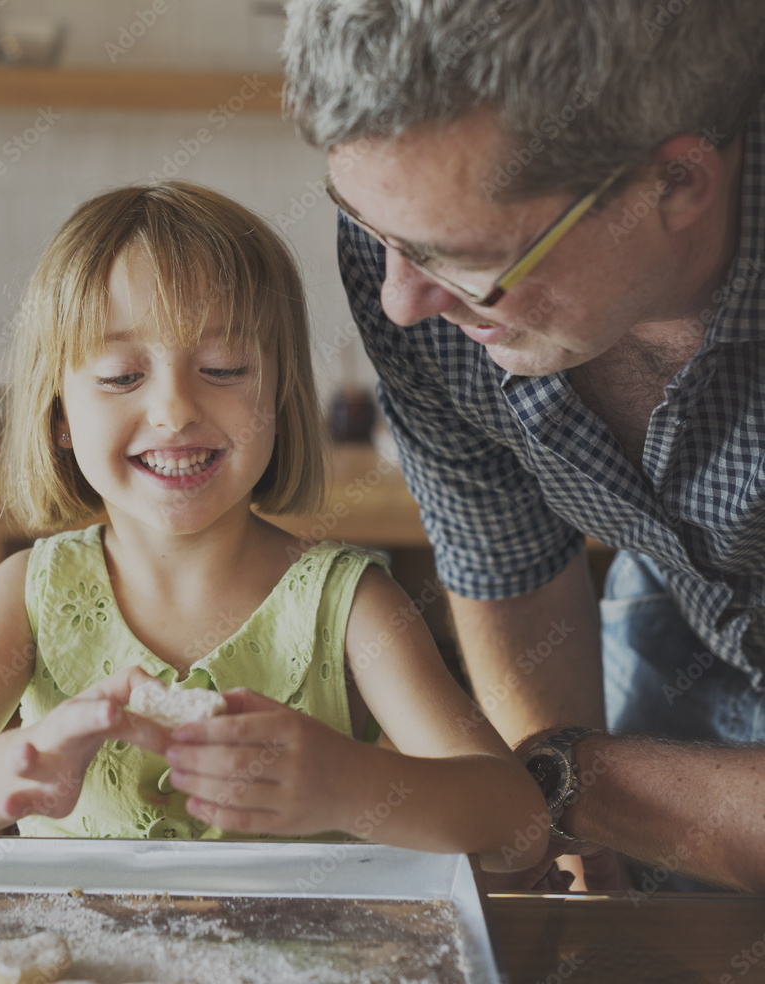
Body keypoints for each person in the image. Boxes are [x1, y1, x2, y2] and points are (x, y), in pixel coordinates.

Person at [0, 182, 547, 870]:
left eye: (222, 367)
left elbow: (516, 824)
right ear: (59, 415)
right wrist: (23, 765)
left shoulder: (349, 607)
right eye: (123, 376)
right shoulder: (26, 597)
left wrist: (350, 785)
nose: (175, 409)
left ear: (280, 394)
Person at [280, 0, 765, 893]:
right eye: (373, 229)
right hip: (680, 628)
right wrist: (574, 849)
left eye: (469, 261)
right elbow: (505, 562)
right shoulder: (412, 255)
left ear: (679, 184)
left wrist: (567, 781)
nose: (397, 300)